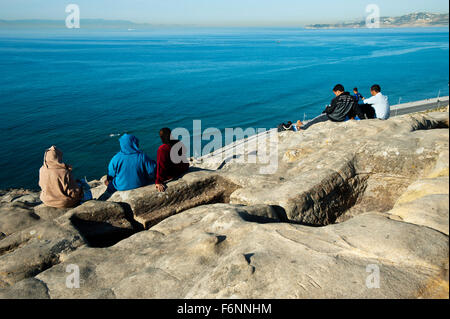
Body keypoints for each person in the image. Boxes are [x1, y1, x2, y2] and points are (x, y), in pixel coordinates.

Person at [100, 134, 156, 200]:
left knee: (109, 184)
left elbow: (111, 174)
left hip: (120, 186)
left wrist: (109, 180)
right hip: (140, 183)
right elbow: (152, 170)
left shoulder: (116, 158)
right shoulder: (142, 156)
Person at [155, 128, 190, 192]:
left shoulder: (162, 149)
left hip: (173, 173)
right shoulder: (178, 142)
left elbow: (161, 165)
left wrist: (158, 181)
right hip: (183, 167)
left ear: (161, 137)